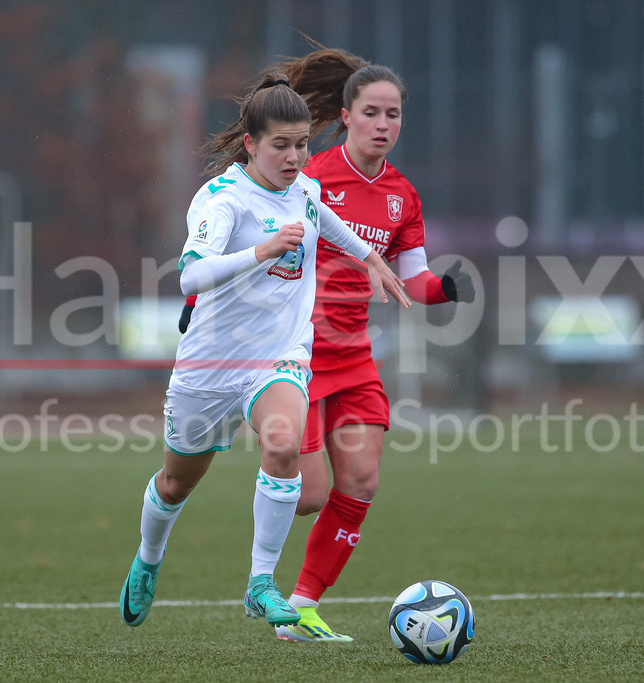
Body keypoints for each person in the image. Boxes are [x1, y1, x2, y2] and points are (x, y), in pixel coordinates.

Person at [119, 72, 410, 631]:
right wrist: (261, 250)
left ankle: (260, 584)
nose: (295, 156)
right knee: (176, 483)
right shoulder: (221, 199)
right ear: (251, 143)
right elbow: (191, 277)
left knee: (282, 442)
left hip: (277, 358)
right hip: (209, 366)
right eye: (281, 145)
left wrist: (369, 258)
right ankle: (149, 559)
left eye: (302, 144)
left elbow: (326, 220)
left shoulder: (306, 189)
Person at [265, 48, 477, 643]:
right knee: (307, 495)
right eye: (372, 113)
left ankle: (301, 609)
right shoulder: (306, 179)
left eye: (394, 114)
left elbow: (411, 280)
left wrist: (446, 289)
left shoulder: (401, 197)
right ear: (346, 115)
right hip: (295, 353)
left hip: (353, 353)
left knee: (359, 482)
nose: (384, 125)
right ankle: (263, 564)